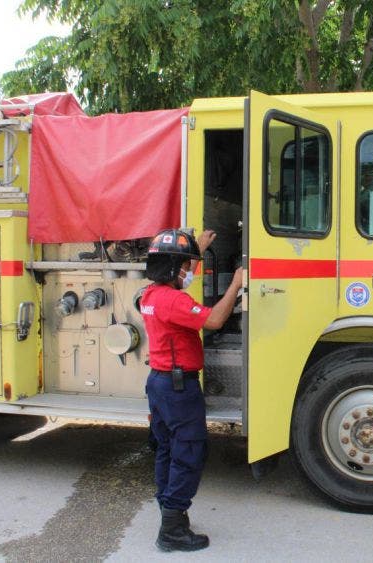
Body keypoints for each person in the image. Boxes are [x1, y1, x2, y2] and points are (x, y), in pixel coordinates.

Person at [140, 228, 243, 552]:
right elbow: (214, 320)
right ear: (172, 268)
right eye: (186, 267)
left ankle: (170, 512)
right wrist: (236, 285)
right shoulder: (173, 300)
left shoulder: (151, 295)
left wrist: (197, 250)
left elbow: (180, 287)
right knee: (188, 453)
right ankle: (171, 531)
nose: (189, 273)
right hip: (178, 387)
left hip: (159, 383)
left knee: (167, 450)